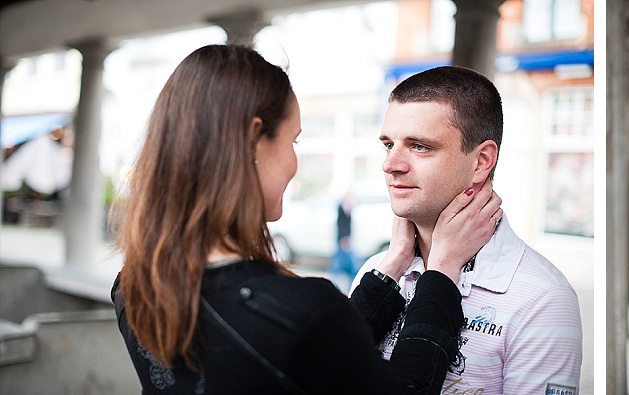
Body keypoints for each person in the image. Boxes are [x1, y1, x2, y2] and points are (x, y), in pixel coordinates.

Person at [110, 44, 502, 394]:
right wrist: (444, 270)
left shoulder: (134, 284)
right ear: (252, 142)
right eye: (292, 141)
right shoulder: (301, 309)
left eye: (418, 146)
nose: (391, 165)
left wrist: (396, 261)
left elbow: (316, 356)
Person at [350, 66, 584, 395]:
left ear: (481, 161)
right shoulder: (375, 272)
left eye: (419, 146)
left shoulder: (543, 298)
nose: (391, 164)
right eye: (389, 144)